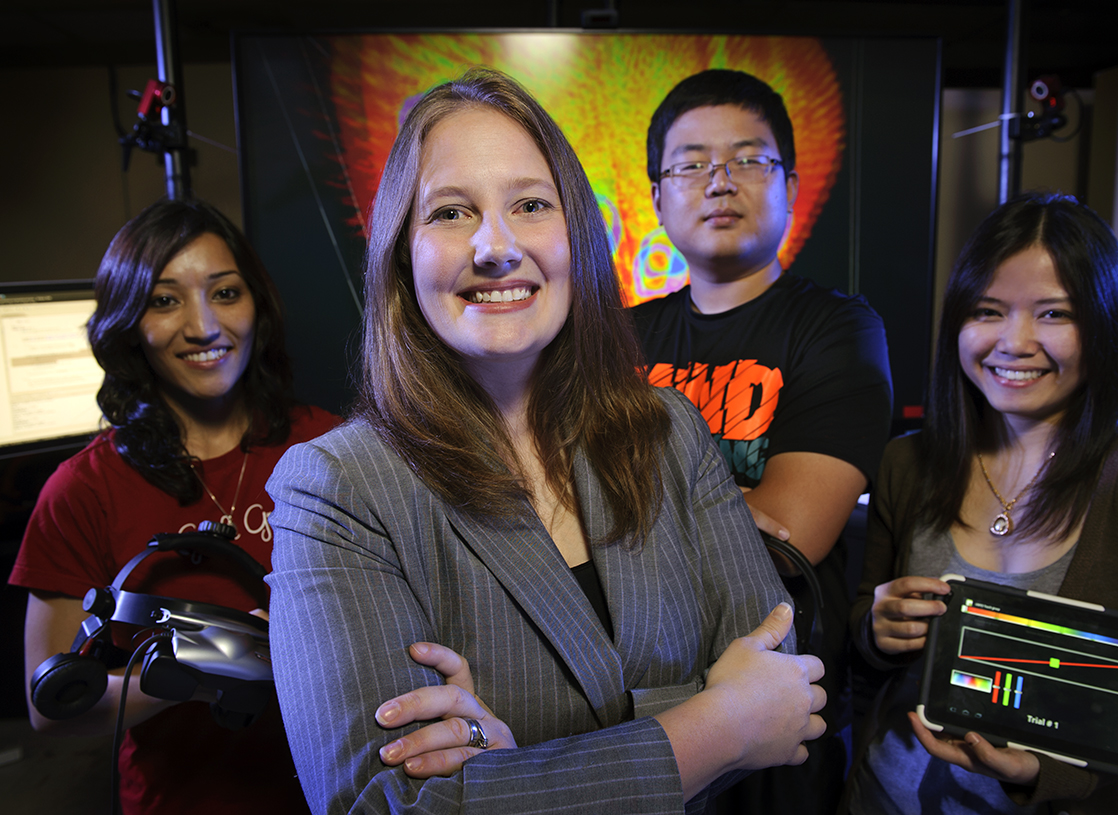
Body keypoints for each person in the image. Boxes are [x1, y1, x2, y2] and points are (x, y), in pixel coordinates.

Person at [264, 67, 827, 815]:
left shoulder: (665, 427)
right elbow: (382, 804)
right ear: (403, 254)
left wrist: (515, 774)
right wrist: (717, 720)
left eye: (530, 204)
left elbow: (780, 689)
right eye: (451, 212)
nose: (495, 246)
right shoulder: (337, 486)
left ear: (577, 235)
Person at [845, 192, 1118, 815]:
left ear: (1104, 326)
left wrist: (1044, 768)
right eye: (987, 310)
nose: (1015, 341)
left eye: (1054, 314)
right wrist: (874, 628)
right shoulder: (908, 462)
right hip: (882, 796)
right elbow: (865, 651)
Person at [10, 198, 341, 815]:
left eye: (225, 292)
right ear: (130, 323)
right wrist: (206, 666)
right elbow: (48, 707)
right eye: (165, 300)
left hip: (338, 794)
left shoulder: (332, 449)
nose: (204, 326)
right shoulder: (83, 489)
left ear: (257, 306)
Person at [632, 68, 893, 814]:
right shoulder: (616, 338)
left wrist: (633, 516)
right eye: (691, 164)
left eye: (748, 159)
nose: (720, 182)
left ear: (790, 185)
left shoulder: (839, 329)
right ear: (657, 195)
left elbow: (792, 535)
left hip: (786, 703)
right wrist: (734, 507)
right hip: (640, 692)